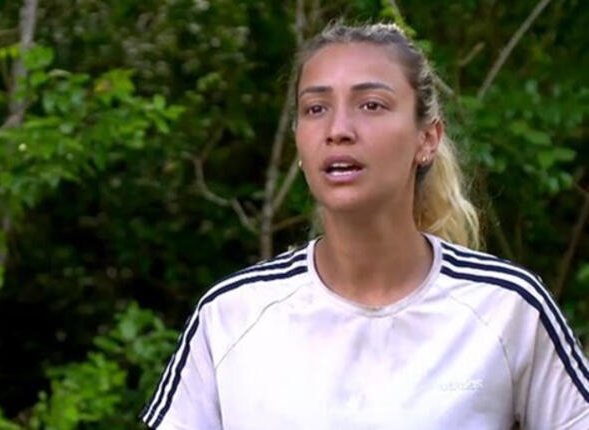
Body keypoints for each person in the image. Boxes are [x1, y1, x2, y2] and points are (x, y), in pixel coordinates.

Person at [140, 21, 589, 429]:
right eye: (315, 108)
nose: (338, 129)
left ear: (427, 139)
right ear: (298, 141)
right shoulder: (230, 315)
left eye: (371, 105)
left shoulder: (507, 308)